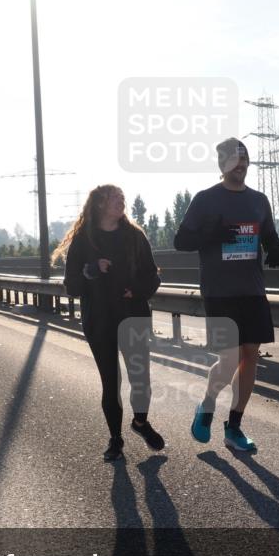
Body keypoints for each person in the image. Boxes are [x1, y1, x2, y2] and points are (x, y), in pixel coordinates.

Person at [173, 138, 279, 453]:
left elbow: (268, 235)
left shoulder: (259, 201)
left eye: (244, 159)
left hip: (252, 289)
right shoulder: (206, 200)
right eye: (235, 160)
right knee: (231, 357)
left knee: (251, 354)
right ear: (222, 164)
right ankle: (207, 405)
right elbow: (181, 240)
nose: (241, 165)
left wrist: (276, 246)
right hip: (220, 291)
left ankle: (234, 427)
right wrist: (212, 234)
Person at [59, 184, 164, 462]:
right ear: (99, 205)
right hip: (100, 320)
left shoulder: (135, 236)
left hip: (134, 317)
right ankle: (115, 440)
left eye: (122, 197)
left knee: (140, 379)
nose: (121, 200)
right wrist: (92, 270)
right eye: (114, 197)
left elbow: (153, 275)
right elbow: (71, 286)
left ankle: (140, 423)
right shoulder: (83, 240)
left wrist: (138, 291)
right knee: (111, 381)